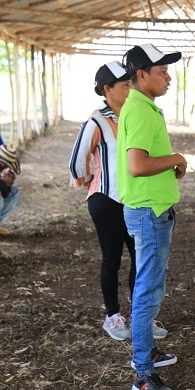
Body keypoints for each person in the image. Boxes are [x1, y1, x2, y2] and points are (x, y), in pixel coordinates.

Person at [118, 43, 187, 390]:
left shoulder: (141, 106)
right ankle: (143, 372)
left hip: (151, 208)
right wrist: (176, 157)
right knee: (147, 291)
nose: (168, 77)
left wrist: (170, 164)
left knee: (151, 287)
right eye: (162, 71)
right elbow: (137, 165)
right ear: (141, 74)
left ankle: (148, 353)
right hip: (149, 212)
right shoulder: (142, 111)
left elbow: (144, 162)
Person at [69, 61, 140, 341]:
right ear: (108, 89)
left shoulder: (137, 114)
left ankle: (141, 315)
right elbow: (76, 163)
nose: (131, 87)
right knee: (112, 259)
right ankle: (113, 316)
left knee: (140, 259)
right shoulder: (97, 120)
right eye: (125, 84)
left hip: (136, 200)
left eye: (131, 82)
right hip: (106, 201)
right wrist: (95, 182)